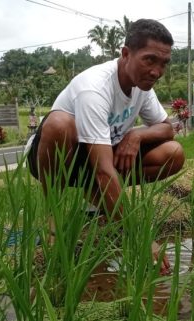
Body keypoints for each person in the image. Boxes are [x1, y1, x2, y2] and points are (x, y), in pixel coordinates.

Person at [26, 19, 185, 272]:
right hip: (60, 157)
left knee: (173, 153)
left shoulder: (142, 85)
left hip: (100, 157)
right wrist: (142, 239)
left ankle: (99, 206)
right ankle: (52, 221)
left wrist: (136, 136)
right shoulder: (95, 88)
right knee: (60, 123)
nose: (157, 71)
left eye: (164, 63)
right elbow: (103, 170)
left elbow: (167, 128)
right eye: (149, 60)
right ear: (125, 54)